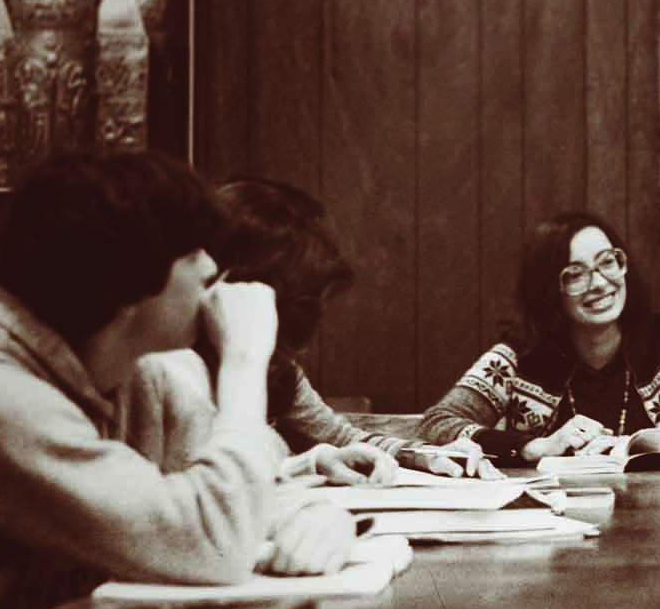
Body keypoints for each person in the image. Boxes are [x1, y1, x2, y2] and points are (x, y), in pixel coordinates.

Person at [0, 151, 355, 609]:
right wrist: (243, 361)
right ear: (133, 278)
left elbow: (243, 489)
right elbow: (214, 543)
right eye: (193, 253)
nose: (212, 269)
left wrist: (320, 517)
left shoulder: (137, 369)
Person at [420, 213, 660, 465]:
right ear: (549, 289)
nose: (601, 283)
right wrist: (533, 448)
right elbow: (438, 423)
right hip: (554, 535)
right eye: (576, 274)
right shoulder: (518, 356)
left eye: (608, 262)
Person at [204, 178, 492, 480]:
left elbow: (340, 437)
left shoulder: (277, 367)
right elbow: (210, 498)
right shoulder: (173, 372)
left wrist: (427, 455)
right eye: (305, 302)